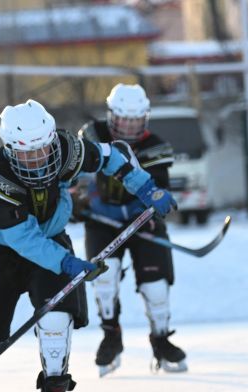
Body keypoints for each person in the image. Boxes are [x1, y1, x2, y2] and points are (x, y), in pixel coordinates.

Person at [0, 99, 176, 392]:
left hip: (52, 241)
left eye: (44, 150)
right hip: (4, 251)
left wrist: (144, 186)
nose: (39, 159)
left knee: (56, 319)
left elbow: (111, 157)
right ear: (10, 150)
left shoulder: (68, 150)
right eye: (28, 154)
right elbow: (22, 238)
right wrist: (66, 263)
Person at [79, 83, 186, 375]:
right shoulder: (92, 134)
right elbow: (79, 172)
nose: (127, 127)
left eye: (135, 120)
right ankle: (111, 334)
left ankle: (161, 339)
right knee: (104, 278)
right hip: (101, 220)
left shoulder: (157, 145)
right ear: (112, 115)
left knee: (156, 286)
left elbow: (159, 185)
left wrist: (155, 205)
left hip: (141, 220)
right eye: (123, 119)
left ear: (145, 118)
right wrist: (76, 200)